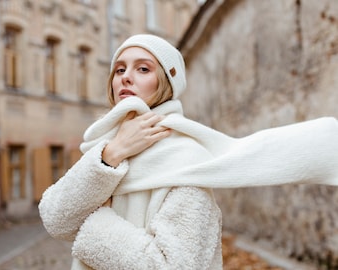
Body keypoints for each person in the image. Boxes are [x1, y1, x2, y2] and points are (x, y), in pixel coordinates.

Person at [39, 34, 338, 270]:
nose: (125, 77)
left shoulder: (183, 159)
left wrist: (96, 225)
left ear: (166, 84)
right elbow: (55, 219)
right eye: (120, 69)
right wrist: (112, 154)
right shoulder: (104, 149)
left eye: (143, 68)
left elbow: (177, 266)